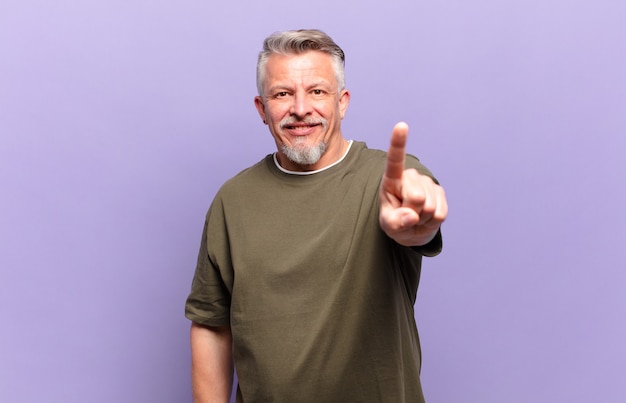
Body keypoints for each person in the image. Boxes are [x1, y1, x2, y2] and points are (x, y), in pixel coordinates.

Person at [185, 29, 448, 402]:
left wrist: (419, 223)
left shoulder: (387, 179)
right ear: (262, 109)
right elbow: (211, 325)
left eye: (317, 91)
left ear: (342, 102)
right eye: (282, 94)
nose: (301, 108)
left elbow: (416, 218)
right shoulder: (233, 200)